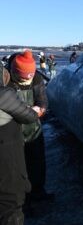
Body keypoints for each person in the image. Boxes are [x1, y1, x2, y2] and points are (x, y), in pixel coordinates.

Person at [0, 63, 39, 225]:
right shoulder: (4, 95)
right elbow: (29, 117)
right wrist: (35, 110)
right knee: (11, 195)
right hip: (6, 149)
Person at [7, 50, 53, 202]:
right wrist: (26, 113)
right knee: (16, 168)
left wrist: (40, 110)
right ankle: (21, 198)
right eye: (22, 78)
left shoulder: (38, 78)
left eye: (30, 78)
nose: (27, 81)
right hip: (12, 132)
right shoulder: (6, 80)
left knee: (37, 163)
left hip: (33, 130)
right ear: (14, 72)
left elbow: (43, 101)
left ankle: (38, 191)